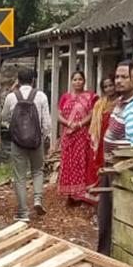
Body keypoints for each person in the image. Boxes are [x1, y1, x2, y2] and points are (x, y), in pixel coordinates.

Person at [95, 60, 133, 253]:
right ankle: (104, 261)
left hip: (125, 170)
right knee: (105, 219)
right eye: (117, 77)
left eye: (124, 77)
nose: (118, 81)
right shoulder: (120, 103)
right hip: (110, 167)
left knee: (121, 220)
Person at [0, 68, 52, 221]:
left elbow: (4, 117)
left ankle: (23, 211)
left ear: (18, 80)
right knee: (37, 171)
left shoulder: (11, 97)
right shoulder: (41, 96)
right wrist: (41, 137)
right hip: (36, 142)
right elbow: (47, 122)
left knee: (20, 176)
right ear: (33, 80)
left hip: (18, 142)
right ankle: (37, 199)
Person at [57, 71, 99, 205]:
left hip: (82, 134)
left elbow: (92, 114)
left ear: (84, 81)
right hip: (68, 135)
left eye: (80, 79)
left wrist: (80, 124)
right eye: (75, 79)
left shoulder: (90, 97)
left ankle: (81, 196)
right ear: (71, 82)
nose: (77, 82)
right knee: (67, 163)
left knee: (82, 163)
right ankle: (69, 195)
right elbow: (59, 115)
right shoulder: (65, 97)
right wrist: (69, 123)